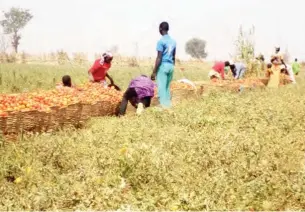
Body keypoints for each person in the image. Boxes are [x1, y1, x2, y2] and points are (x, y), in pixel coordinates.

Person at [151, 22, 176, 109]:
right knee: (167, 87)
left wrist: (154, 72)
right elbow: (173, 56)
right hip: (170, 66)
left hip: (163, 66)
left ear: (160, 29)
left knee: (161, 88)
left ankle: (164, 107)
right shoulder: (173, 42)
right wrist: (172, 67)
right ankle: (168, 105)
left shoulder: (161, 41)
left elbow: (159, 58)